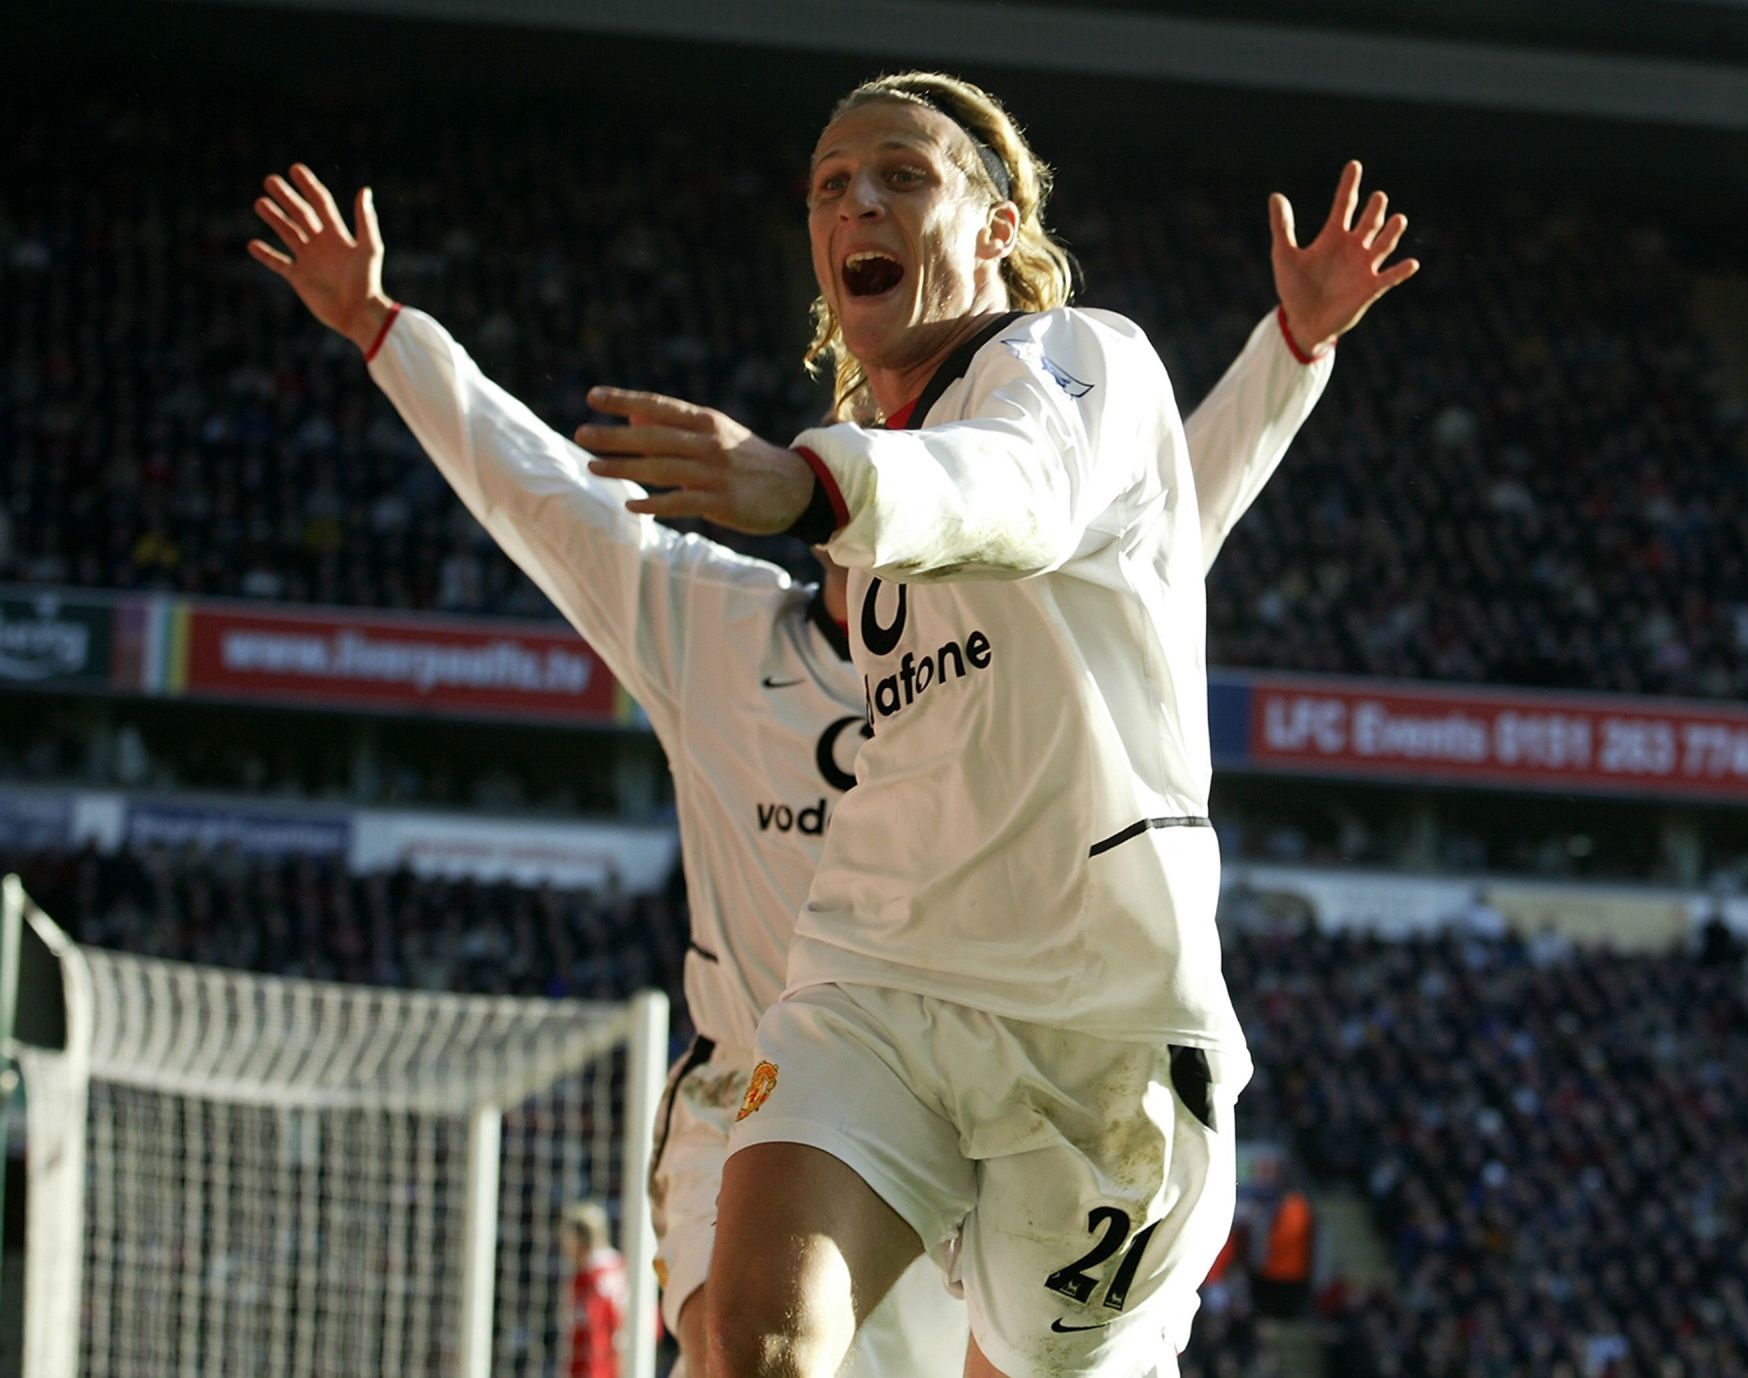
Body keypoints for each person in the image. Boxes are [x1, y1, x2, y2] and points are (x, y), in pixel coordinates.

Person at [246, 114, 1411, 1377]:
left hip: (1092, 1014)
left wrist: (1291, 353)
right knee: (747, 1346)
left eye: (900, 178)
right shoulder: (717, 631)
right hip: (843, 1015)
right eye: (829, 186)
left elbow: (1125, 483)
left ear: (996, 230)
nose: (856, 205)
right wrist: (385, 333)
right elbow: (551, 500)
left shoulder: (1055, 410)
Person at [560, 1201, 628, 1378]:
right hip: (628, 1363)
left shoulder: (587, 1279)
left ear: (579, 1239)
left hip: (599, 1369)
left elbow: (589, 1336)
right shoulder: (621, 1267)